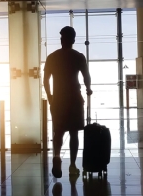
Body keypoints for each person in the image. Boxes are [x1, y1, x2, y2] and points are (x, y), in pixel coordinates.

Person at [43, 26, 93, 178]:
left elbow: (45, 80)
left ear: (61, 39)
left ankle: (57, 157)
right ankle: (72, 165)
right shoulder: (78, 57)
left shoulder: (52, 57)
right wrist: (88, 89)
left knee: (58, 131)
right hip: (74, 99)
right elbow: (86, 76)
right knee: (74, 133)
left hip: (58, 99)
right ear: (73, 39)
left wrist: (50, 97)